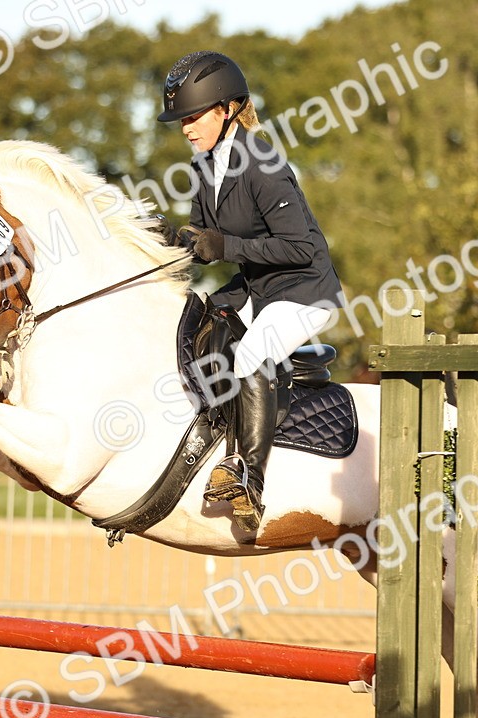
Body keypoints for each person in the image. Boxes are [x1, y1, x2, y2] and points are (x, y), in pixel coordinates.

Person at [157, 50, 344, 533]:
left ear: (226, 109)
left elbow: (300, 248)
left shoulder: (263, 163)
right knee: (198, 324)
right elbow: (205, 240)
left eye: (193, 116)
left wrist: (226, 245)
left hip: (305, 290)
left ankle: (248, 477)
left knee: (251, 353)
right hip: (257, 286)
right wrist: (175, 241)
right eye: (182, 120)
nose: (186, 128)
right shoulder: (204, 168)